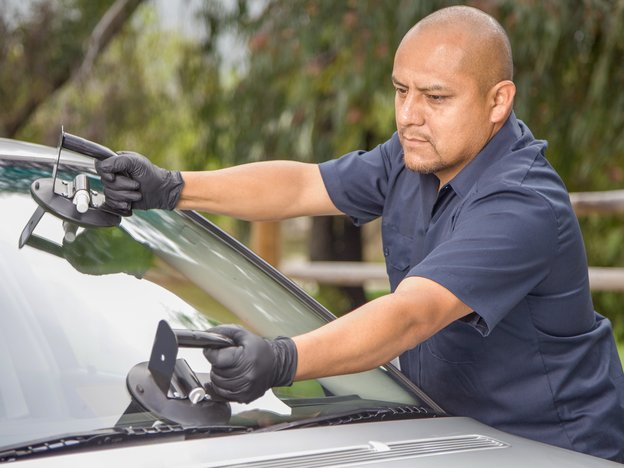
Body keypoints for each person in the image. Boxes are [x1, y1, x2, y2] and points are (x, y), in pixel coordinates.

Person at [95, 5, 624, 462]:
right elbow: (301, 186)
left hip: (552, 448)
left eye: (436, 98)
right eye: (401, 91)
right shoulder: (413, 154)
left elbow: (411, 314)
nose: (409, 116)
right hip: (448, 433)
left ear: (497, 101)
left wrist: (282, 359)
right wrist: (171, 187)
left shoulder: (523, 204)